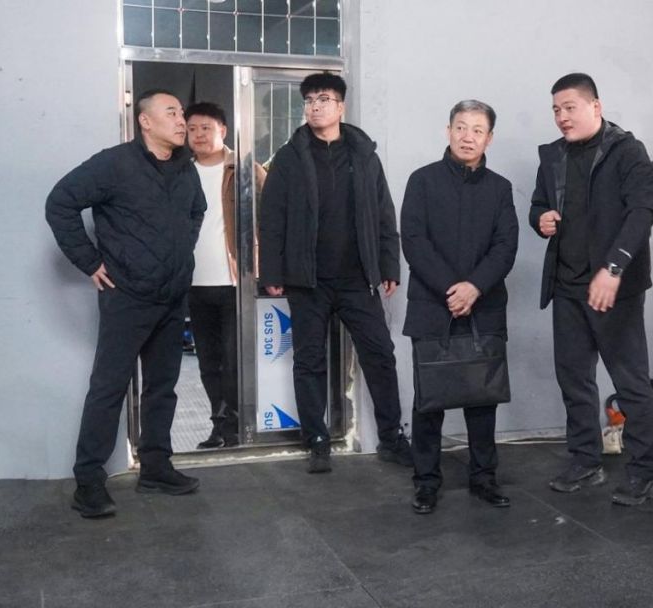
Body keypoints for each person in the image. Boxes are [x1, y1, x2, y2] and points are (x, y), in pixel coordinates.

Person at [46, 89, 206, 518]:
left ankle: (155, 467)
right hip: (128, 297)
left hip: (172, 296)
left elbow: (197, 211)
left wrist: (182, 252)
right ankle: (88, 482)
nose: (181, 120)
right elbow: (60, 202)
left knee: (162, 386)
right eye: (171, 112)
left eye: (182, 112)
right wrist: (89, 261)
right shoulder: (114, 165)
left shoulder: (185, 168)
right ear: (145, 122)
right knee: (109, 387)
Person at [258, 73, 411, 473]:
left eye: (323, 99)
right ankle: (317, 440)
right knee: (309, 360)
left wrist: (388, 265)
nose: (315, 106)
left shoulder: (364, 155)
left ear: (341, 107)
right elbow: (271, 219)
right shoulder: (289, 157)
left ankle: (392, 437)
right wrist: (272, 270)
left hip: (358, 277)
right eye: (309, 100)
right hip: (307, 279)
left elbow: (384, 214)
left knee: (380, 354)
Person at [530, 73, 653, 506]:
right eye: (556, 110)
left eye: (570, 107)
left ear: (596, 107)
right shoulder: (552, 155)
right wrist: (540, 219)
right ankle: (585, 460)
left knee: (630, 381)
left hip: (612, 287)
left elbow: (641, 212)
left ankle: (642, 472)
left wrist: (614, 268)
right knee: (574, 378)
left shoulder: (628, 151)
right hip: (567, 285)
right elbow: (538, 204)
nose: (561, 117)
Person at [401, 99, 519, 515]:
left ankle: (484, 477)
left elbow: (505, 247)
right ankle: (426, 482)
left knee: (482, 398)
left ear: (489, 138)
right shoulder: (422, 181)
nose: (468, 137)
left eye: (477, 130)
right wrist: (453, 289)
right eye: (461, 127)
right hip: (432, 305)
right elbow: (414, 241)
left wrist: (475, 288)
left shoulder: (500, 188)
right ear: (448, 130)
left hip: (484, 307)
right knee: (428, 399)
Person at [183, 102, 266, 449]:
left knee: (233, 362)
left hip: (234, 283)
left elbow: (270, 220)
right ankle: (220, 426)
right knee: (208, 363)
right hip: (193, 283)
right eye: (191, 129)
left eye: (206, 128)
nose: (198, 135)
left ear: (223, 130)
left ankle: (235, 427)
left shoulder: (245, 170)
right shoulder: (180, 173)